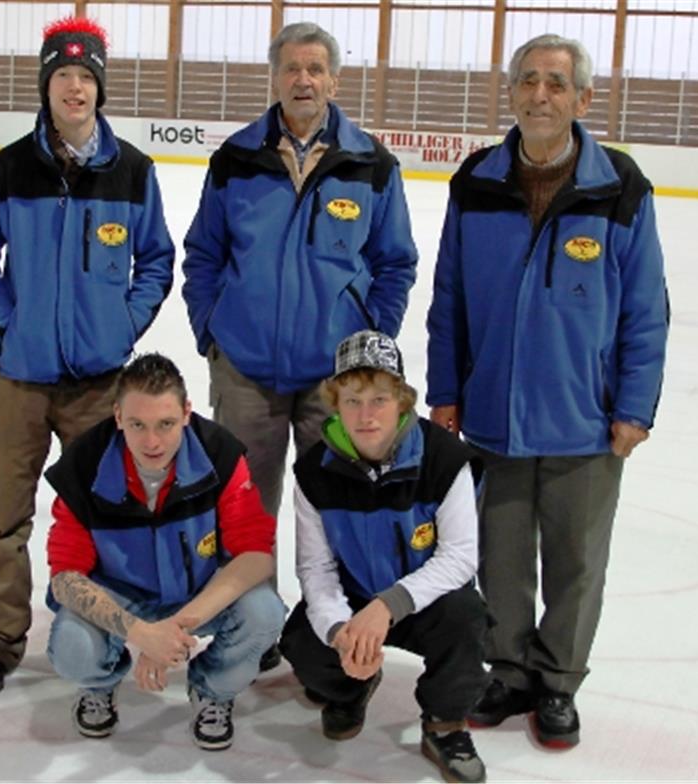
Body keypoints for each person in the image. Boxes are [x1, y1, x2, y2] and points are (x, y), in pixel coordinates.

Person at [425, 33, 670, 749]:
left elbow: (645, 310)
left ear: (583, 99)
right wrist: (447, 390)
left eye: (556, 85)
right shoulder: (476, 181)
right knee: (498, 555)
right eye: (528, 81)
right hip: (492, 413)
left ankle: (557, 682)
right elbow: (450, 299)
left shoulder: (619, 186)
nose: (540, 95)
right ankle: (507, 671)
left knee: (575, 560)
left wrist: (633, 407)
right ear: (511, 93)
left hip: (584, 419)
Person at [182, 22, 419, 669]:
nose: (304, 80)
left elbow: (395, 263)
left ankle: (328, 633)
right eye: (292, 68)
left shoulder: (370, 163)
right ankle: (254, 629)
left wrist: (369, 348)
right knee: (246, 512)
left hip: (333, 383)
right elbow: (203, 253)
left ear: (336, 80)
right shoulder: (237, 158)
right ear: (275, 77)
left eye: (316, 69)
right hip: (247, 371)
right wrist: (214, 332)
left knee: (336, 512)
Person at [0, 16, 175, 695]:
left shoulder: (133, 172)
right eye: (62, 76)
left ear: (99, 88)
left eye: (86, 77)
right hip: (19, 375)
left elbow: (158, 261)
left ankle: (105, 628)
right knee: (2, 510)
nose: (74, 88)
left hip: (99, 382)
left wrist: (121, 327)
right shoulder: (10, 168)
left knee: (105, 511)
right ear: (46, 86)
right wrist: (9, 322)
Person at [43, 353, 285, 750]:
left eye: (166, 424)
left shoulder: (219, 453)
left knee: (264, 612)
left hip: (198, 593)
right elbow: (66, 577)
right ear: (118, 416)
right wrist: (139, 632)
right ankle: (98, 684)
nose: (152, 442)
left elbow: (256, 553)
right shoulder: (84, 465)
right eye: (137, 425)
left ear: (187, 413)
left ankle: (212, 691)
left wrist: (174, 630)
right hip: (122, 595)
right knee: (72, 645)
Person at [279, 330, 488, 783]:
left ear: (402, 400)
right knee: (300, 643)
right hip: (353, 603)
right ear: (335, 403)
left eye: (379, 399)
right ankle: (350, 688)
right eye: (352, 400)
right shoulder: (314, 472)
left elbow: (460, 557)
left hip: (422, 600)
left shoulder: (444, 457)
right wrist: (340, 632)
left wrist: (388, 605)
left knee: (466, 616)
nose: (366, 414)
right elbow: (316, 569)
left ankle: (445, 722)